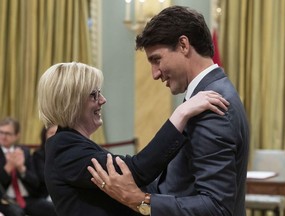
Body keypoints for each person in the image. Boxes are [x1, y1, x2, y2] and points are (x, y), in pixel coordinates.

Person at [87, 5, 249, 216]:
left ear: (183, 45)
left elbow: (216, 208)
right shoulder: (209, 93)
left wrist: (139, 199)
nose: (155, 74)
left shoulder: (213, 107)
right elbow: (177, 184)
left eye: (157, 59)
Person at [37, 61, 229, 216]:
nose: (103, 100)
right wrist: (181, 114)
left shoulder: (72, 143)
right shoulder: (65, 147)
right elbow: (137, 171)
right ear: (72, 103)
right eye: (94, 95)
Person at [0, 117, 57, 216]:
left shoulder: (24, 152)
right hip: (5, 199)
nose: (3, 136)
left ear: (17, 135)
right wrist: (8, 168)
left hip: (26, 198)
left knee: (55, 209)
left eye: (8, 133)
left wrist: (22, 169)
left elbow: (35, 183)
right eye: (1, 132)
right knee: (16, 213)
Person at [33, 125, 57, 199]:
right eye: (51, 133)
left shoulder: (67, 153)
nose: (55, 136)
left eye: (57, 133)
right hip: (45, 194)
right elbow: (44, 177)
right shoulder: (39, 154)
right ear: (44, 135)